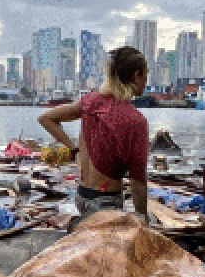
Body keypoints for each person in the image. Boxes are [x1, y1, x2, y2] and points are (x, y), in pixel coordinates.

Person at [37, 47, 149, 222]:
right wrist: (143, 218)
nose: (146, 80)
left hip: (82, 197)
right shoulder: (136, 121)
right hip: (106, 204)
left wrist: (74, 148)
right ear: (136, 75)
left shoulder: (91, 101)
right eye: (146, 74)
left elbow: (46, 118)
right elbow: (138, 181)